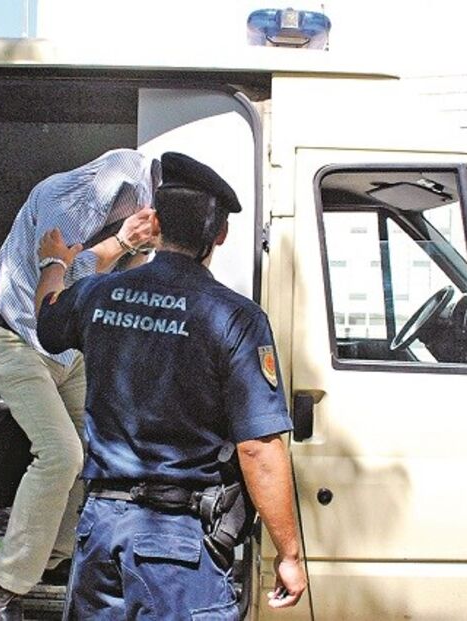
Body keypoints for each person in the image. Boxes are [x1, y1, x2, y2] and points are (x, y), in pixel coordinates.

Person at [35, 152, 307, 619]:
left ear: (156, 224)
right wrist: (290, 554)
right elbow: (259, 448)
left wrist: (53, 264)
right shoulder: (236, 318)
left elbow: (47, 320)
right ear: (219, 234)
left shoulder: (99, 295)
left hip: (101, 534)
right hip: (176, 547)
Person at [0, 148, 159, 619]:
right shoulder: (64, 198)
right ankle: (7, 581)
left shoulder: (120, 209)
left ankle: (52, 561)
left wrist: (133, 249)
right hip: (18, 339)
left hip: (67, 354)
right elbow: (60, 290)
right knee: (61, 455)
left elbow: (123, 282)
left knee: (93, 449)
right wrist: (122, 242)